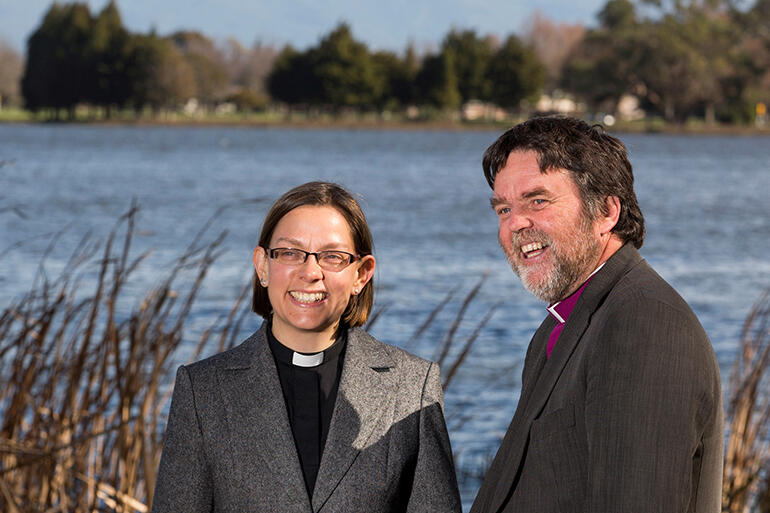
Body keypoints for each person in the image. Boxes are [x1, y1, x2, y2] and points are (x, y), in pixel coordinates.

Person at [152, 181, 461, 512]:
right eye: (289, 253)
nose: (311, 271)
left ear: (362, 274)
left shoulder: (413, 386)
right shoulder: (203, 391)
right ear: (262, 266)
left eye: (333, 257)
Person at [470, 116, 723, 513]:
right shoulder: (562, 326)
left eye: (538, 200)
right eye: (503, 209)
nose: (515, 224)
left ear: (606, 211)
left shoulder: (644, 324)